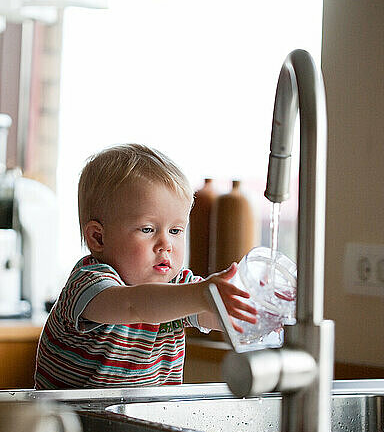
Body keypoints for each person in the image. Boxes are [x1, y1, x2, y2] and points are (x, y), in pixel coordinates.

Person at [34, 144, 257, 389]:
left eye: (175, 230)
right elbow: (134, 305)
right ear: (98, 237)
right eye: (148, 229)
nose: (166, 244)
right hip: (72, 423)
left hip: (139, 417)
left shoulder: (177, 286)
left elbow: (212, 315)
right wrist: (203, 294)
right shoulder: (88, 283)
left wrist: (247, 308)